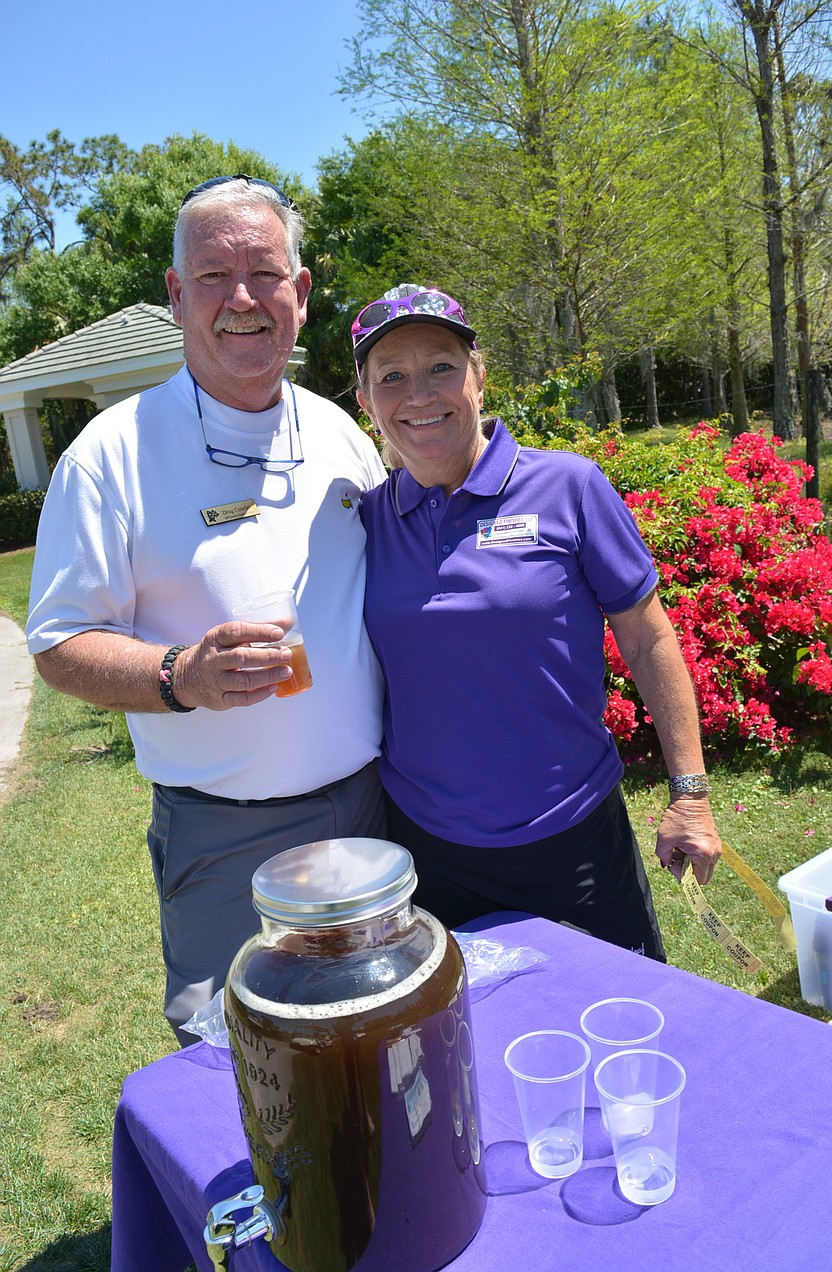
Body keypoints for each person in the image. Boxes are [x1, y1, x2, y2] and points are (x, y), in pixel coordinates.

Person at [26, 176, 387, 1043]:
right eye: (214, 276)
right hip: (228, 839)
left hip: (375, 808)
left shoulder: (341, 432)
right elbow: (57, 639)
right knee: (242, 1060)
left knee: (377, 1030)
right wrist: (180, 675)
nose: (242, 299)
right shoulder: (111, 454)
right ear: (177, 294)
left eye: (264, 273)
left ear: (300, 293)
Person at [351, 282, 722, 958]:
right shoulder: (368, 521)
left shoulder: (568, 487)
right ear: (366, 402)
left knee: (625, 1031)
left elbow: (647, 637)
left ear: (479, 375)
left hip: (575, 842)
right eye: (392, 377)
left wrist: (689, 793)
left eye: (441, 366)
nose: (420, 394)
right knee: (468, 1047)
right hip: (432, 854)